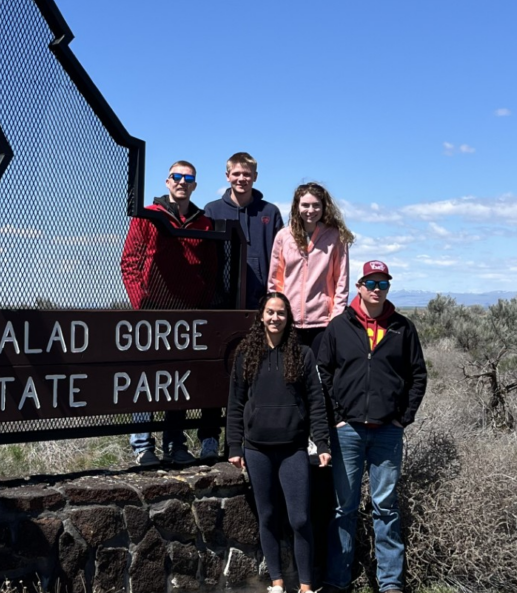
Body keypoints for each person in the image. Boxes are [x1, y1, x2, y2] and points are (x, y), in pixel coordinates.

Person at [317, 261, 428, 593]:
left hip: (387, 433)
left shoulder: (402, 328)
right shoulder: (339, 326)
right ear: (359, 286)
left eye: (383, 283)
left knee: (386, 507)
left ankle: (392, 585)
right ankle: (337, 580)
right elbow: (323, 372)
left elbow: (418, 376)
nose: (377, 288)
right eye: (370, 282)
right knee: (343, 507)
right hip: (348, 431)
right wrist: (336, 417)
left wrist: (402, 418)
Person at [227, 292, 331, 593]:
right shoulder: (246, 354)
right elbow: (235, 403)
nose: (275, 318)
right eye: (270, 312)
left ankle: (306, 590)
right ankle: (276, 585)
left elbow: (316, 402)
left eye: (281, 313)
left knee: (300, 518)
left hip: (293, 450)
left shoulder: (301, 354)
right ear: (261, 316)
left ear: (289, 318)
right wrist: (234, 444)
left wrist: (323, 443)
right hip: (256, 449)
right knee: (268, 517)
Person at [120, 160, 221, 467]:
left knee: (177, 379)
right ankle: (142, 443)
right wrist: (143, 305)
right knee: (146, 378)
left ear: (194, 185)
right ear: (167, 182)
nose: (181, 182)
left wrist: (201, 306)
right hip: (151, 313)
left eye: (188, 178)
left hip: (188, 315)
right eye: (176, 177)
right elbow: (129, 263)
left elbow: (212, 270)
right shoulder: (148, 216)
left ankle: (175, 443)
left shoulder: (204, 222)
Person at [267, 182, 354, 357]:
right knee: (291, 374)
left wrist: (335, 319)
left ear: (324, 207)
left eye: (316, 205)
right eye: (305, 205)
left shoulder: (335, 237)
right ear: (297, 206)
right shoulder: (284, 236)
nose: (310, 210)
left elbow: (341, 281)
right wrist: (277, 314)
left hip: (322, 322)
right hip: (289, 322)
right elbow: (275, 281)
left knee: (319, 375)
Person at [204, 152, 284, 310]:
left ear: (255, 177)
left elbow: (282, 256)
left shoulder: (270, 211)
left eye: (247, 174)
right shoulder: (212, 210)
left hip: (262, 298)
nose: (241, 179)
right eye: (236, 174)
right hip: (221, 298)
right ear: (227, 176)